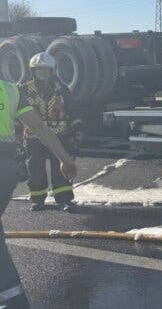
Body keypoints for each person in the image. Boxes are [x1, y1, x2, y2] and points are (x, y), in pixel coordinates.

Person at [0, 78, 77, 309]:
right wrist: (65, 159)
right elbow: (41, 128)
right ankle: (13, 299)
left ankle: (14, 301)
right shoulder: (10, 90)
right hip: (6, 171)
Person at [19, 53, 78, 212]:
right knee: (35, 168)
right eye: (38, 71)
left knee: (61, 167)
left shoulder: (62, 89)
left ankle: (65, 199)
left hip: (60, 136)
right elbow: (17, 115)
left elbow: (72, 111)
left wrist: (75, 132)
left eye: (45, 71)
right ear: (32, 71)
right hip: (33, 137)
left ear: (52, 71)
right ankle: (38, 199)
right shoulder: (23, 90)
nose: (42, 74)